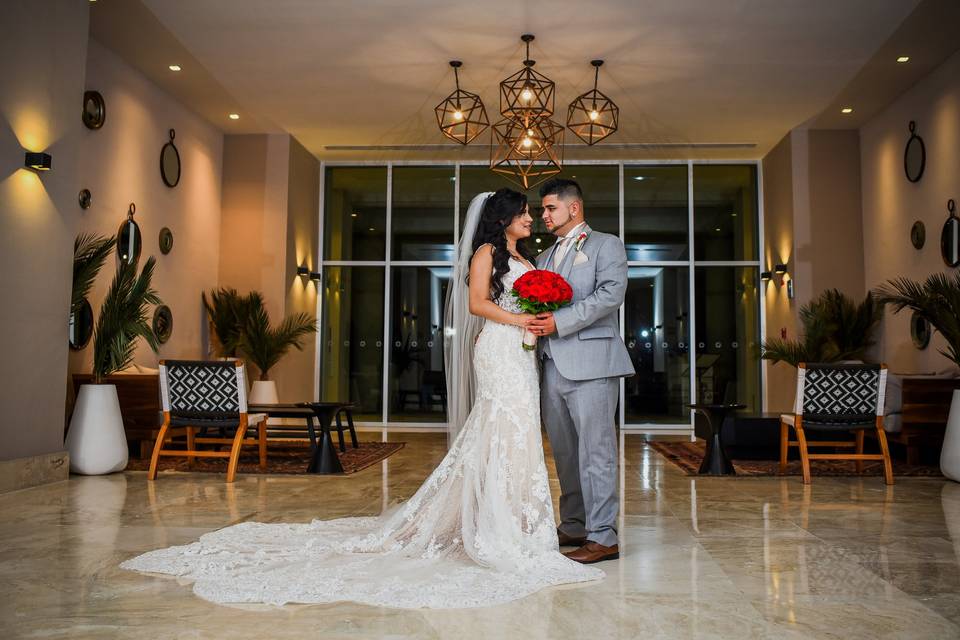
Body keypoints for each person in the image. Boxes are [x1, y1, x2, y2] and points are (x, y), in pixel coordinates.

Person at [120, 188, 603, 609]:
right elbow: (478, 304)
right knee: (498, 427)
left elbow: (530, 300)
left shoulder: (524, 259)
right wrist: (520, 321)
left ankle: (514, 520)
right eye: (523, 212)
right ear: (504, 218)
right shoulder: (484, 254)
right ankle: (489, 524)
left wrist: (538, 317)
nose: (529, 218)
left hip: (521, 354)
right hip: (500, 349)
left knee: (518, 432)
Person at [528, 178, 635, 564]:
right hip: (551, 365)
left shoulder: (606, 244)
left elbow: (611, 294)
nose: (543, 215)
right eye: (542, 209)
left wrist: (561, 322)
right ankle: (574, 524)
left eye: (549, 208)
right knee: (565, 452)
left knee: (597, 452)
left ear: (573, 209)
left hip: (592, 364)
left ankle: (604, 536)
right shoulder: (543, 258)